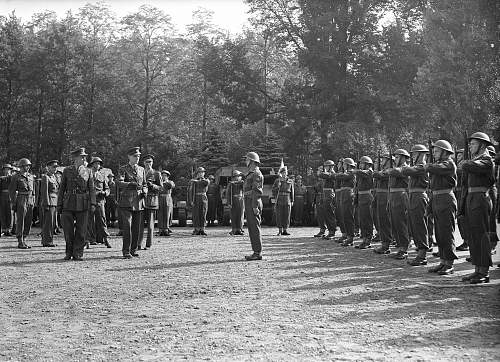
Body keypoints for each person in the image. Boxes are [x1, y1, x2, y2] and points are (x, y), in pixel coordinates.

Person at [461, 132, 495, 283]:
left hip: (481, 199)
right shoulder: (474, 160)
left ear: (482, 145)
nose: (471, 146)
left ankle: (484, 271)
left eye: (474, 143)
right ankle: (477, 269)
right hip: (471, 198)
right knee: (473, 235)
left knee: (481, 235)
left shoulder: (487, 160)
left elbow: (473, 166)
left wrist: (465, 163)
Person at [58, 148, 96, 260]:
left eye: (85, 156)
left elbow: (92, 189)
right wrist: (59, 204)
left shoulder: (88, 171)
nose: (84, 158)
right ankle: (68, 252)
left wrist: (93, 203)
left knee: (81, 230)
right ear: (75, 158)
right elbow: (62, 189)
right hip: (68, 202)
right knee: (68, 230)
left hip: (83, 202)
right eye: (82, 156)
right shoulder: (67, 170)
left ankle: (78, 253)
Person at [426, 140, 457, 275]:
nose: (434, 153)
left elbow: (434, 168)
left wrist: (428, 166)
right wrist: (430, 206)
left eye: (437, 151)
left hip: (446, 199)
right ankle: (443, 261)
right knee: (439, 233)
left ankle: (449, 263)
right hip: (437, 198)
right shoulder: (438, 165)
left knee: (446, 232)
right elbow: (434, 187)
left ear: (445, 152)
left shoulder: (449, 163)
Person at [117, 147, 148, 259]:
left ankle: (133, 249)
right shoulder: (123, 169)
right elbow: (119, 183)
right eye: (135, 156)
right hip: (126, 201)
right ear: (129, 157)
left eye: (138, 156)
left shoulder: (141, 169)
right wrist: (130, 184)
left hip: (138, 201)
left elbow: (144, 184)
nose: (137, 158)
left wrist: (145, 190)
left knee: (136, 227)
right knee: (127, 226)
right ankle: (126, 251)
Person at [402, 145, 430, 265]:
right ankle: (420, 252)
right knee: (414, 225)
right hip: (413, 196)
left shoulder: (422, 166)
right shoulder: (416, 166)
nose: (412, 156)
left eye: (414, 153)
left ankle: (422, 254)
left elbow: (408, 171)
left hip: (419, 196)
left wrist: (403, 167)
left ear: (420, 154)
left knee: (419, 225)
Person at [386, 149, 411, 259]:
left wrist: (389, 170)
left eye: (397, 157)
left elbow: (396, 172)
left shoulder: (405, 168)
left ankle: (404, 248)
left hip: (401, 196)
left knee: (400, 223)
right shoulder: (395, 169)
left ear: (403, 157)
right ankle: (400, 246)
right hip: (393, 196)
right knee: (394, 222)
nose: (395, 159)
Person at [9, 158, 35, 249]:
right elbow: (12, 191)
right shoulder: (16, 177)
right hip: (21, 199)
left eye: (28, 165)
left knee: (29, 220)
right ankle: (20, 240)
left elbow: (33, 190)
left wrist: (33, 200)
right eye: (26, 166)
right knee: (21, 220)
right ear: (21, 166)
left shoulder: (31, 176)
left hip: (30, 199)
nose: (28, 167)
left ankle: (25, 238)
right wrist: (14, 203)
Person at [140, 154, 162, 250]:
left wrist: (152, 185)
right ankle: (138, 244)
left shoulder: (156, 174)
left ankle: (148, 244)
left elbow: (161, 188)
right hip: (140, 200)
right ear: (143, 163)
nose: (149, 164)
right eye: (147, 162)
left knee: (150, 225)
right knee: (139, 224)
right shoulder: (140, 172)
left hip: (151, 200)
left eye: (150, 162)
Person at [243, 152, 263, 260]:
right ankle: (256, 251)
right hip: (249, 201)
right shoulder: (251, 173)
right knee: (251, 227)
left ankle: (257, 252)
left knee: (255, 227)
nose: (246, 161)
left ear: (252, 161)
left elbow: (257, 191)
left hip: (253, 202)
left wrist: (255, 206)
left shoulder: (256, 173)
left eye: (247, 159)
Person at [373, 154, 393, 254]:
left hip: (385, 195)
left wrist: (376, 172)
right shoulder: (384, 170)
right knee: (381, 219)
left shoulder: (390, 170)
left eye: (384, 159)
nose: (382, 161)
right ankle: (384, 243)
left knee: (385, 219)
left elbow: (379, 175)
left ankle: (386, 243)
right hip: (380, 194)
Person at [88, 157, 111, 248]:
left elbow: (107, 189)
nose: (97, 165)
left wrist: (104, 193)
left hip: (100, 200)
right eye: (95, 163)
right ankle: (88, 240)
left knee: (102, 220)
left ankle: (106, 239)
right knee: (89, 221)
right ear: (92, 164)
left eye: (99, 163)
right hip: (89, 200)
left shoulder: (102, 176)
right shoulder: (87, 175)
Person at [353, 156, 374, 249]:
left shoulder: (369, 171)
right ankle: (364, 238)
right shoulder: (361, 174)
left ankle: (368, 239)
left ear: (367, 164)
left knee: (367, 219)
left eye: (362, 163)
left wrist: (355, 170)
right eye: (360, 163)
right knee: (362, 219)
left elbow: (363, 173)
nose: (360, 165)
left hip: (367, 196)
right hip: (361, 196)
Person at [336, 158, 357, 246]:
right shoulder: (346, 172)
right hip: (344, 194)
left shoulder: (351, 172)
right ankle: (348, 236)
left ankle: (350, 237)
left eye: (344, 164)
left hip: (348, 194)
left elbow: (341, 176)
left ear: (348, 165)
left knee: (348, 216)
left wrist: (338, 174)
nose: (343, 166)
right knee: (344, 216)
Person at [40, 160, 59, 247]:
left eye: (56, 167)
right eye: (53, 167)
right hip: (49, 202)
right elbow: (44, 192)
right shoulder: (45, 177)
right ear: (48, 167)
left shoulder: (54, 177)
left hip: (54, 202)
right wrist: (46, 204)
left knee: (53, 223)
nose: (55, 168)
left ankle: (49, 240)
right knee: (48, 223)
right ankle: (47, 241)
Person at [316, 160, 337, 239]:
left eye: (327, 166)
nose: (326, 168)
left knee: (330, 213)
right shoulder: (327, 174)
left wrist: (320, 173)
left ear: (331, 166)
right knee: (326, 213)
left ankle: (332, 231)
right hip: (325, 194)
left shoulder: (332, 173)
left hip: (330, 194)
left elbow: (323, 175)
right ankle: (329, 230)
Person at [272, 166, 294, 235]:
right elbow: (273, 190)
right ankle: (280, 230)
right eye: (283, 172)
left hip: (287, 199)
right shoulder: (277, 181)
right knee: (279, 215)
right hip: (279, 199)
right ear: (280, 173)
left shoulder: (290, 181)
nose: (284, 174)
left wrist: (292, 200)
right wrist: (277, 187)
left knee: (287, 215)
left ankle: (285, 230)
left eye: (285, 172)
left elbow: (292, 191)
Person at [188, 167, 210, 235]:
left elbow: (206, 183)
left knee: (203, 214)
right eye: (199, 172)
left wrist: (196, 181)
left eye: (202, 172)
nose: (201, 174)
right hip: (196, 198)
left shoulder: (205, 180)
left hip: (203, 198)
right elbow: (190, 191)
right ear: (197, 173)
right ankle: (196, 229)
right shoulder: (193, 181)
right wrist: (191, 200)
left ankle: (202, 229)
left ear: (204, 173)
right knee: (196, 214)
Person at [227, 170, 245, 236]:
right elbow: (228, 194)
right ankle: (234, 229)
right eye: (236, 176)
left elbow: (244, 187)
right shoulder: (230, 184)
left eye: (239, 176)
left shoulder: (241, 183)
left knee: (240, 215)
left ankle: (240, 229)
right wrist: (229, 203)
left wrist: (241, 182)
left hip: (240, 200)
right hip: (233, 200)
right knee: (234, 215)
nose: (237, 178)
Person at [158, 170, 175, 236]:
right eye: (162, 175)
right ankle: (160, 229)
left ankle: (166, 229)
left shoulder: (170, 182)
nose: (163, 177)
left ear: (167, 176)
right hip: (160, 198)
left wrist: (165, 181)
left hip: (167, 198)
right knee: (160, 214)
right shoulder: (159, 182)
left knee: (167, 214)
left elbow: (171, 186)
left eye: (165, 175)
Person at [0, 164, 13, 237]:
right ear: (3, 170)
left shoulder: (12, 177)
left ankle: (9, 230)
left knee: (10, 213)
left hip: (10, 196)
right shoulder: (1, 178)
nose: (7, 170)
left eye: (8, 169)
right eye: (5, 169)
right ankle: (4, 229)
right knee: (3, 213)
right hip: (2, 196)